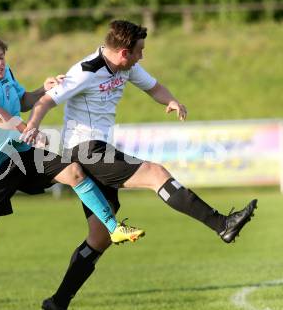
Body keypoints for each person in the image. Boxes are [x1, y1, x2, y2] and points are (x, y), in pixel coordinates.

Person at [23, 19, 258, 309]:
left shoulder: (127, 67)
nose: (142, 56)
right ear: (124, 52)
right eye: (139, 51)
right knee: (155, 173)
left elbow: (154, 87)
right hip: (85, 150)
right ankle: (222, 224)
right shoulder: (86, 71)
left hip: (98, 149)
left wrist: (170, 100)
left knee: (99, 237)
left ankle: (57, 302)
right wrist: (33, 125)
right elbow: (46, 101)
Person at [0, 35, 145, 309]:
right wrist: (24, 128)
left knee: (73, 171)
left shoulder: (7, 75)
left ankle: (114, 227)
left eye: (1, 57)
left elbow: (22, 100)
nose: (0, 63)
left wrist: (42, 89)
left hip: (21, 156)